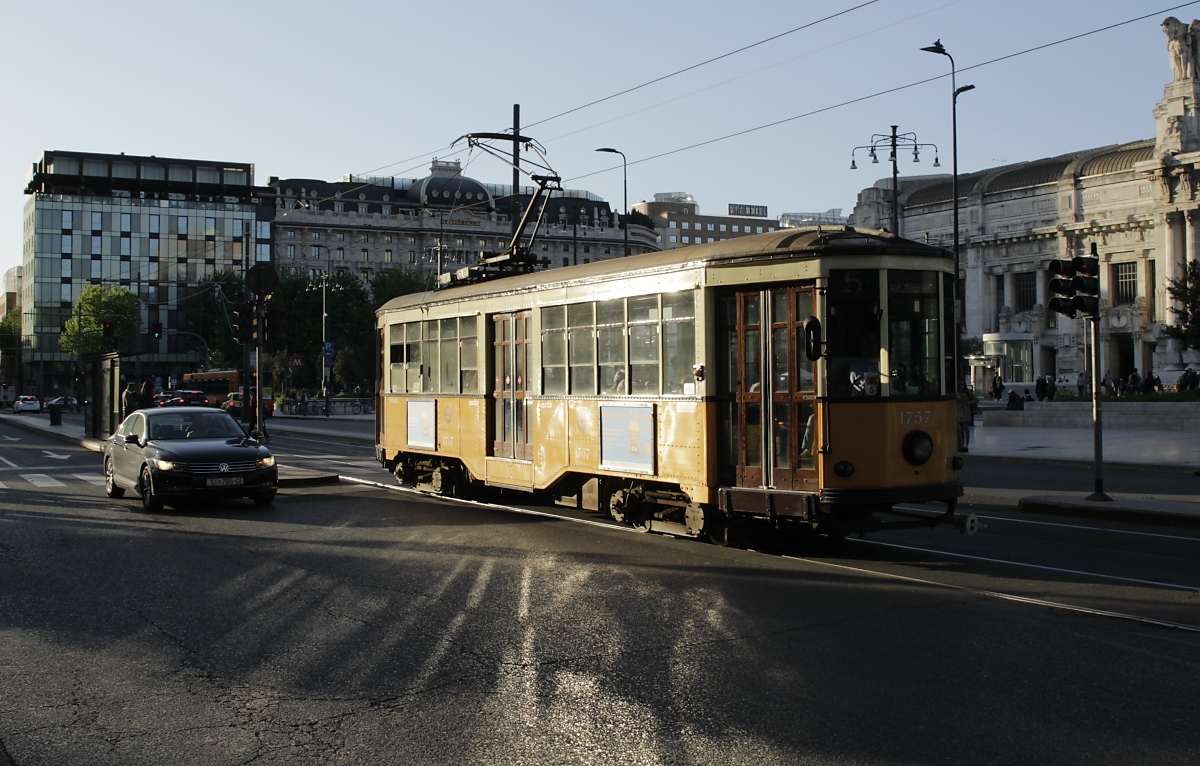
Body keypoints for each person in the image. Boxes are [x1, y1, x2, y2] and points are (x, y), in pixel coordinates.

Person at [957, 387, 978, 453]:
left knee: (966, 429)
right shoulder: (957, 392)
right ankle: (962, 445)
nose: (961, 386)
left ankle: (966, 445)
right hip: (959, 411)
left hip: (965, 411)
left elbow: (976, 400)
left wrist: (969, 403)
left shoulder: (967, 392)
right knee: (961, 430)